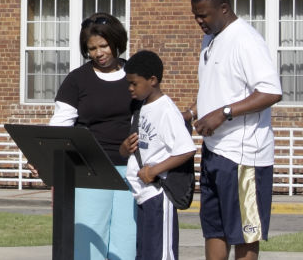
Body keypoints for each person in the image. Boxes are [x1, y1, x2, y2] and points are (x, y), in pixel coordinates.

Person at [187, 0, 282, 260]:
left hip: (244, 158)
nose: (199, 21)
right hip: (214, 152)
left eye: (203, 15)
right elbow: (216, 89)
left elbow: (270, 92)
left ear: (224, 8)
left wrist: (224, 113)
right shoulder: (211, 38)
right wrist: (192, 112)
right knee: (213, 228)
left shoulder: (246, 40)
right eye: (196, 16)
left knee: (244, 233)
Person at [49, 13, 138, 260]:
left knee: (126, 244)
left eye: (103, 46)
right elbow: (60, 124)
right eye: (91, 49)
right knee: (89, 245)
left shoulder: (134, 73)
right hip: (90, 170)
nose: (98, 53)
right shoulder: (77, 80)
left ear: (116, 42)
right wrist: (43, 158)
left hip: (129, 170)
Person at [120, 50, 196, 260]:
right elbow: (134, 148)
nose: (130, 88)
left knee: (161, 254)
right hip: (142, 194)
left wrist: (154, 170)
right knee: (145, 254)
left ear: (152, 80)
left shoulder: (166, 110)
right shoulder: (141, 107)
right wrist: (124, 148)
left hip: (158, 194)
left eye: (134, 83)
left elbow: (186, 149)